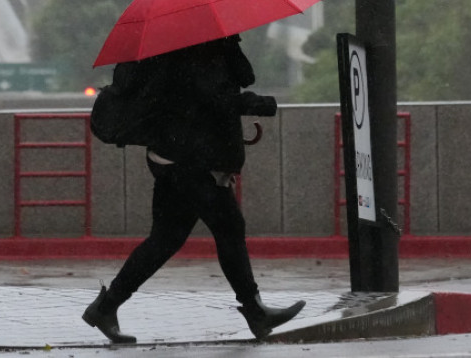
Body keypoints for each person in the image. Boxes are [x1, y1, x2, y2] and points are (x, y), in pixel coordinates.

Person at [82, 34, 305, 343]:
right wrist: (259, 103)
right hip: (191, 160)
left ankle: (105, 307)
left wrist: (230, 46)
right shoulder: (197, 47)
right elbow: (215, 98)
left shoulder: (194, 46)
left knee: (166, 238)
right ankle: (255, 311)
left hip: (173, 154)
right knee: (228, 227)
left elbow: (236, 78)